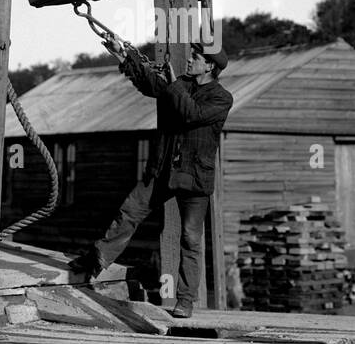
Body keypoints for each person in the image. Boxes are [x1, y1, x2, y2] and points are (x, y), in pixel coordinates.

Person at [68, 40, 232, 319]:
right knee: (129, 211)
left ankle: (185, 300)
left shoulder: (221, 98)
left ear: (210, 66)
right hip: (163, 171)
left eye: (196, 57)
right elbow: (150, 85)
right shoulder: (178, 83)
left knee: (190, 240)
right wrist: (126, 58)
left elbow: (191, 113)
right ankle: (96, 262)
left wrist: (173, 84)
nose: (190, 60)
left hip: (194, 178)